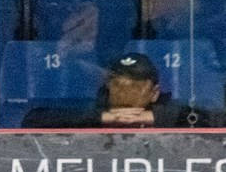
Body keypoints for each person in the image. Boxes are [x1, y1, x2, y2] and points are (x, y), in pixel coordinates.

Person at [21, 52, 216, 128]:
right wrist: (105, 117)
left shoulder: (173, 112)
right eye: (118, 84)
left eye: (136, 86)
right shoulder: (94, 108)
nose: (125, 92)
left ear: (154, 92)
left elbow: (216, 120)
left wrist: (153, 117)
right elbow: (32, 121)